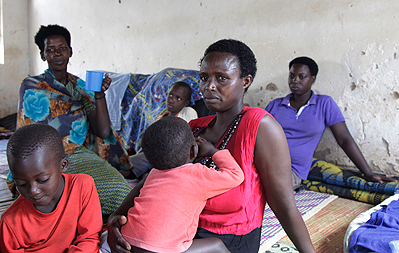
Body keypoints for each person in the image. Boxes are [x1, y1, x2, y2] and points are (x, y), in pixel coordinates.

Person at [106, 39, 316, 253]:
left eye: (222, 78)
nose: (209, 86)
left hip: (226, 243)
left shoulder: (260, 127)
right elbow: (155, 178)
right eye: (204, 78)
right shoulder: (194, 128)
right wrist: (116, 220)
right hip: (176, 236)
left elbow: (284, 206)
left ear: (246, 81)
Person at [8, 24, 131, 216]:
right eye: (50, 50)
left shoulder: (83, 87)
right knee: (36, 195)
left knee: (120, 193)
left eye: (62, 48)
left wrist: (99, 95)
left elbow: (103, 132)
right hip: (40, 158)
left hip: (77, 153)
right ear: (43, 55)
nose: (57, 53)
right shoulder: (31, 86)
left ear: (70, 51)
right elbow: (25, 133)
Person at [103, 116, 243, 252]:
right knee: (216, 245)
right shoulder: (198, 174)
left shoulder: (154, 173)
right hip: (163, 249)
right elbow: (236, 175)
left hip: (129, 241)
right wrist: (213, 151)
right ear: (194, 150)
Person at [265, 56, 398, 190]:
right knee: (248, 182)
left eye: (301, 77)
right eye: (292, 76)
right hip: (263, 162)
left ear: (312, 79)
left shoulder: (324, 104)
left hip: (290, 171)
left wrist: (368, 173)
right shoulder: (275, 105)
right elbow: (257, 136)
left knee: (267, 186)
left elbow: (344, 139)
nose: (295, 81)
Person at [0, 124, 102, 252]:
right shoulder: (10, 223)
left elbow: (89, 238)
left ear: (63, 165)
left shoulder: (82, 186)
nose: (33, 190)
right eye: (22, 184)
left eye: (42, 180)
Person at [121, 81, 198, 179]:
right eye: (170, 95)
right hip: (154, 152)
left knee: (128, 165)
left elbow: (184, 137)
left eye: (178, 98)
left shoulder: (188, 112)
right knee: (130, 160)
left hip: (170, 154)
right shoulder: (162, 117)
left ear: (186, 103)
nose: (172, 100)